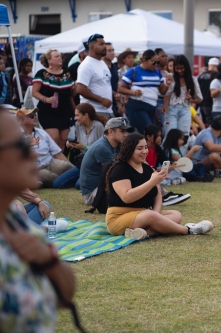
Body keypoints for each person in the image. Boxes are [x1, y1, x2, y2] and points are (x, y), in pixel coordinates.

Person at [0, 106, 77, 333]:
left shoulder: (12, 218)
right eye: (22, 146)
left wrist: (47, 259)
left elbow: (64, 298)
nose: (34, 155)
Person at [105, 133, 213, 239]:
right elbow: (127, 197)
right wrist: (152, 182)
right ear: (129, 150)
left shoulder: (146, 167)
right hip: (119, 217)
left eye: (146, 147)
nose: (144, 151)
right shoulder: (120, 169)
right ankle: (188, 230)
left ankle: (144, 233)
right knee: (150, 215)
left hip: (143, 213)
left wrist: (156, 212)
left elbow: (157, 193)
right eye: (139, 148)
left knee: (176, 215)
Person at [18, 108, 78, 189]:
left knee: (66, 166)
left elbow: (57, 153)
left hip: (50, 162)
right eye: (31, 116)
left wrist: (70, 167)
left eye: (35, 115)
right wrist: (27, 145)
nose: (35, 117)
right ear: (23, 120)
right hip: (35, 169)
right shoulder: (15, 136)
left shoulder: (41, 132)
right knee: (49, 176)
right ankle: (73, 183)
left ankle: (85, 178)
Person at [79, 117, 130, 205]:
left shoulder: (118, 144)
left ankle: (160, 196)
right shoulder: (102, 147)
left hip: (104, 188)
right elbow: (114, 174)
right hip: (92, 194)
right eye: (122, 131)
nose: (125, 134)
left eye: (126, 131)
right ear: (110, 132)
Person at [32, 49, 76, 149]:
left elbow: (72, 94)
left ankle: (59, 163)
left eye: (60, 56)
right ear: (49, 60)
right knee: (53, 138)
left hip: (64, 112)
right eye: (56, 56)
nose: (59, 58)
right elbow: (34, 92)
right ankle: (50, 162)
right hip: (48, 112)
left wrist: (77, 87)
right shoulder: (42, 74)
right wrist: (46, 99)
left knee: (62, 141)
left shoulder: (67, 74)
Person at [118, 49, 168, 134]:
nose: (156, 65)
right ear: (145, 61)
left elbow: (162, 91)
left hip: (152, 107)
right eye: (153, 62)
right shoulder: (134, 71)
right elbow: (120, 88)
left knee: (152, 134)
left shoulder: (157, 71)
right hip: (137, 105)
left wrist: (167, 84)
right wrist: (133, 93)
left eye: (157, 62)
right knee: (149, 133)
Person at [164, 55, 203, 140]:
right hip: (171, 109)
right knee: (170, 136)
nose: (179, 71)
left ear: (186, 67)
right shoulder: (171, 77)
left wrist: (191, 99)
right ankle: (169, 153)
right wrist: (165, 107)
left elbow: (200, 99)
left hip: (185, 109)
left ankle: (182, 153)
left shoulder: (192, 80)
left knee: (184, 137)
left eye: (181, 68)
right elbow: (166, 94)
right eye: (177, 69)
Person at [76, 33, 114, 119]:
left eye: (104, 44)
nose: (105, 47)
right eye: (101, 44)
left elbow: (104, 85)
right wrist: (101, 100)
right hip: (93, 112)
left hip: (107, 111)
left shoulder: (102, 63)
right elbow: (80, 89)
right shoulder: (87, 65)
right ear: (92, 47)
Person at [197, 57, 219, 124]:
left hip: (202, 103)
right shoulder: (216, 76)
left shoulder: (201, 76)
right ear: (215, 66)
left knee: (204, 123)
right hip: (211, 103)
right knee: (212, 123)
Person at [67, 41, 88, 106]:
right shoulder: (72, 68)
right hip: (79, 105)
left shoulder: (95, 66)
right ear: (81, 54)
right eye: (88, 52)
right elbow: (69, 93)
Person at [103, 43, 121, 116]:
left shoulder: (114, 67)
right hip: (103, 103)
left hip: (114, 102)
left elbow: (117, 85)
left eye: (113, 50)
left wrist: (119, 103)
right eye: (109, 51)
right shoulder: (100, 67)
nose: (112, 53)